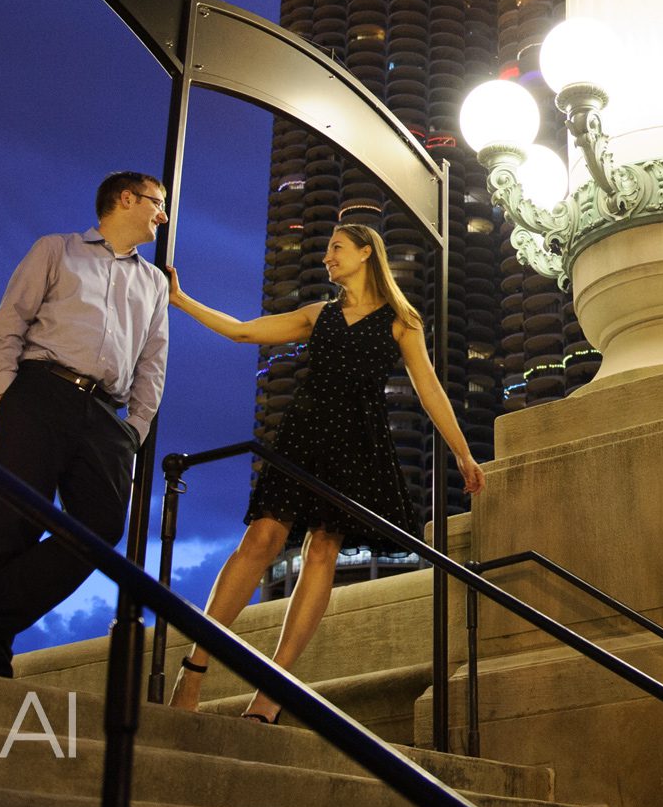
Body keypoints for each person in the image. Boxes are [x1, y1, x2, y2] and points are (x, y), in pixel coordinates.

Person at [165, 222, 484, 722]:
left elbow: (429, 391)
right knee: (261, 541)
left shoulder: (403, 321)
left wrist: (463, 454)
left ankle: (271, 693)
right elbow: (244, 331)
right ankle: (194, 668)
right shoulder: (319, 315)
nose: (327, 258)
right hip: (304, 434)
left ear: (365, 253)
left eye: (336, 249)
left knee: (322, 552)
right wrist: (182, 301)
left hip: (357, 442)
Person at [0, 171, 171, 676]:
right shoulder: (56, 249)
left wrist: (134, 430)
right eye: (156, 203)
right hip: (39, 392)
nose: (162, 216)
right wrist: (7, 395)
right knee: (13, 526)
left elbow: (153, 361)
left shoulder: (155, 282)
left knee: (100, 532)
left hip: (106, 417)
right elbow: (10, 321)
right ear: (126, 199)